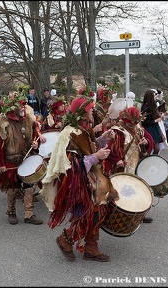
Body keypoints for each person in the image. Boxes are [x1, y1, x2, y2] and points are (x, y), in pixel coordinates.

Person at [40, 96, 119, 262]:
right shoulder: (69, 134)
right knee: (87, 215)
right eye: (90, 110)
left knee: (97, 211)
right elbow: (72, 164)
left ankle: (91, 247)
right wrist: (96, 157)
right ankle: (66, 240)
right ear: (83, 114)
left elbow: (88, 148)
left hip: (92, 180)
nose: (92, 112)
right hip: (79, 183)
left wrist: (103, 138)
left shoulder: (84, 129)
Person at [0, 94, 44, 225]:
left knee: (30, 187)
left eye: (23, 105)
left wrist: (36, 144)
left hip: (26, 158)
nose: (23, 108)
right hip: (11, 160)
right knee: (13, 188)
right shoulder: (4, 124)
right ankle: (11, 212)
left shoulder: (28, 120)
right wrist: (1, 164)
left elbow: (35, 136)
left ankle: (29, 214)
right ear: (13, 108)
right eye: (20, 105)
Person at [141, 90, 164, 155]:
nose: (155, 97)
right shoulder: (145, 107)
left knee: (157, 148)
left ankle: (154, 160)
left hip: (155, 127)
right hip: (149, 128)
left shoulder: (153, 106)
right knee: (152, 147)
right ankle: (150, 159)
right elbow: (144, 121)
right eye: (154, 95)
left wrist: (161, 115)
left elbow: (155, 115)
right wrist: (155, 121)